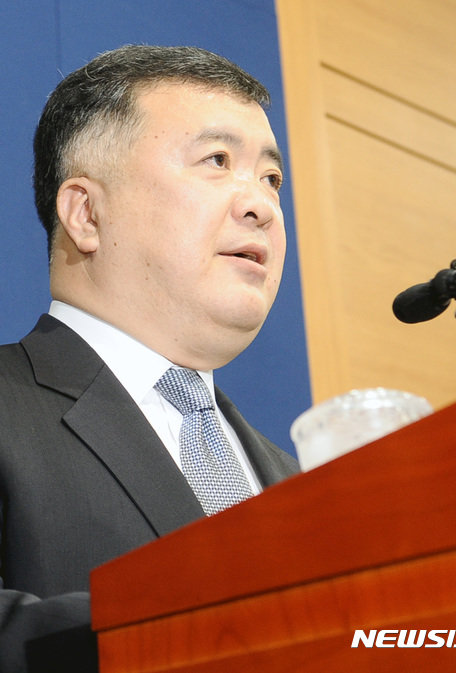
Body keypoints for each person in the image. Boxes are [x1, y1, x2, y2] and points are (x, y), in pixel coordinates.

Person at [0, 45, 299, 672]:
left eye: (271, 178)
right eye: (217, 161)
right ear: (86, 213)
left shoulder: (298, 485)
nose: (263, 206)